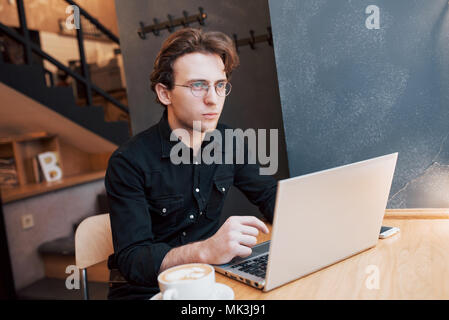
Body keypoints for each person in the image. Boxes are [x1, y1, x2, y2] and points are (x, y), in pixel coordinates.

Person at [105, 28, 277, 300]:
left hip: (209, 280)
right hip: (149, 291)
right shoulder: (128, 162)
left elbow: (269, 195)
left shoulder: (228, 142)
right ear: (165, 93)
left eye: (220, 85)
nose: (213, 98)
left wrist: (319, 219)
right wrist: (206, 250)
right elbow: (133, 260)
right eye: (198, 85)